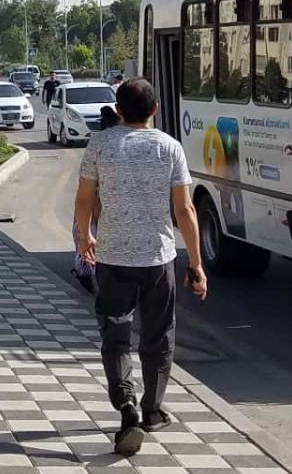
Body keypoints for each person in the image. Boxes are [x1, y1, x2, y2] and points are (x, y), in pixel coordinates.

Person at [74, 78, 207, 455]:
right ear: (155, 109)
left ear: (117, 110)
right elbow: (185, 210)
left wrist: (85, 237)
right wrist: (196, 263)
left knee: (115, 336)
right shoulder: (169, 147)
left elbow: (84, 199)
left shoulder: (100, 144)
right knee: (158, 335)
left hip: (112, 258)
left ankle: (126, 405)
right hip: (158, 260)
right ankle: (152, 409)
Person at [71, 105, 119, 291]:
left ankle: (88, 272)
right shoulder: (112, 145)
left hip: (98, 205)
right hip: (101, 206)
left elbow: (86, 192)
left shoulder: (98, 144)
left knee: (87, 239)